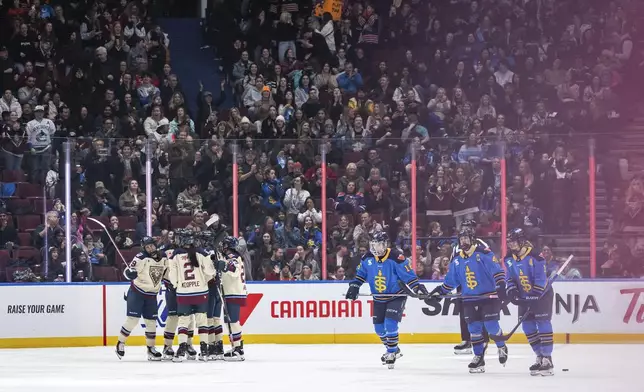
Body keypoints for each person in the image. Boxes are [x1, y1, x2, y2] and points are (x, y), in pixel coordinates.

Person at [428, 228, 508, 373]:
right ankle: (478, 358)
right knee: (474, 330)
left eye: (466, 238)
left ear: (472, 239)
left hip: (487, 297)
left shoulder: (484, 254)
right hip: (469, 299)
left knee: (491, 326)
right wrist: (439, 292)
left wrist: (501, 286)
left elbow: (497, 271)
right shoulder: (457, 259)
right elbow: (452, 281)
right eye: (461, 239)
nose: (463, 241)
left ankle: (501, 346)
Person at [345, 232, 428, 369]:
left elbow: (408, 276)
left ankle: (390, 352)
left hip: (396, 295)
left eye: (378, 244)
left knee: (390, 324)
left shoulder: (396, 257)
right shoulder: (367, 258)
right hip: (378, 297)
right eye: (373, 244)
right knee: (379, 329)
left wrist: (417, 287)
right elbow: (361, 275)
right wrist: (354, 286)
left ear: (385, 245)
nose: (375, 247)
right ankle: (394, 349)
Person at [505, 228, 555, 376]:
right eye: (509, 243)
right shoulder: (508, 258)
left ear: (521, 241)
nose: (511, 246)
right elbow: (510, 278)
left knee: (543, 323)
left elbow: (541, 279)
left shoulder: (536, 256)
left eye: (513, 242)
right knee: (527, 327)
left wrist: (535, 294)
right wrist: (512, 291)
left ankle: (548, 359)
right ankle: (539, 356)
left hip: (542, 295)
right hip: (524, 296)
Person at [115, 237, 166, 361]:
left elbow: (166, 273)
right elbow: (128, 270)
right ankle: (120, 343)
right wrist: (129, 274)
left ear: (155, 245)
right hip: (137, 293)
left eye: (151, 246)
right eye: (147, 247)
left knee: (151, 322)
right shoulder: (141, 257)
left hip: (152, 294)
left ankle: (151, 349)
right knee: (132, 320)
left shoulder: (164, 257)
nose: (150, 249)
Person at [167, 234, 216, 362]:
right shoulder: (202, 252)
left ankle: (182, 349)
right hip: (201, 292)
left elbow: (172, 275)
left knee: (183, 321)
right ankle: (204, 350)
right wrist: (203, 281)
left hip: (184, 293)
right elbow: (211, 272)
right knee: (202, 321)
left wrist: (177, 285)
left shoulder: (175, 254)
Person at [450, 219, 489, 355]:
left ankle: (483, 339)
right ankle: (466, 339)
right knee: (464, 313)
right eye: (464, 227)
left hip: (480, 285)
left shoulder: (481, 244)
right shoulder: (457, 246)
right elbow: (452, 264)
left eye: (469, 227)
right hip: (463, 285)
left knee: (482, 313)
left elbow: (489, 264)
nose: (466, 230)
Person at [209, 236, 248, 361]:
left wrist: (223, 266)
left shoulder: (232, 256)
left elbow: (234, 270)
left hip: (234, 292)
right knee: (230, 321)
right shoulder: (231, 256)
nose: (222, 247)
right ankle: (236, 346)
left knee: (233, 321)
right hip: (233, 292)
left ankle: (238, 349)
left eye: (224, 245)